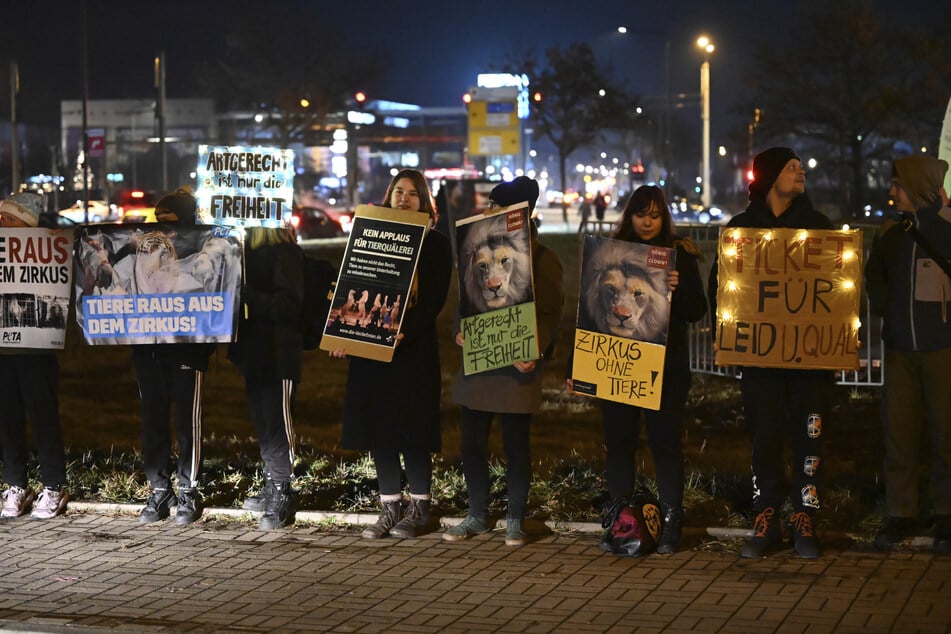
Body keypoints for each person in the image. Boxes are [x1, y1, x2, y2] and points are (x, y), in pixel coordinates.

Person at [708, 147, 833, 559]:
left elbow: (834, 287)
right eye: (791, 167)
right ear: (770, 177)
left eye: (801, 166)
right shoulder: (742, 229)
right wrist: (725, 330)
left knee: (808, 436)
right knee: (765, 437)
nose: (801, 173)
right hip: (760, 359)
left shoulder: (817, 228)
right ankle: (767, 515)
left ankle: (805, 515)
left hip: (810, 361)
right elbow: (721, 284)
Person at [569, 185, 706, 554]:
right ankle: (620, 521)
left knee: (665, 443)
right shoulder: (607, 253)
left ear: (664, 217)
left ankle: (672, 518)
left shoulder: (678, 255)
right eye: (640, 213)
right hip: (616, 365)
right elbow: (588, 315)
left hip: (664, 370)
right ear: (629, 215)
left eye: (655, 214)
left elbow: (697, 312)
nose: (647, 221)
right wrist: (579, 365)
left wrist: (678, 289)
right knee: (619, 444)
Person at [444, 176, 565, 546]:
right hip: (480, 362)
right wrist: (458, 331)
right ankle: (477, 515)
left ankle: (515, 518)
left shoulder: (542, 258)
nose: (490, 213)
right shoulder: (473, 251)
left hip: (517, 368)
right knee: (472, 444)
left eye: (498, 208)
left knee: (516, 446)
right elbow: (463, 302)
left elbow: (550, 312)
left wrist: (536, 348)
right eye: (491, 207)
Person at [333, 169, 452, 539]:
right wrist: (345, 332)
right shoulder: (369, 236)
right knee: (380, 430)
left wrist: (405, 331)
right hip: (372, 353)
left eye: (413, 194)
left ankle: (420, 507)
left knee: (412, 431)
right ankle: (390, 506)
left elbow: (433, 301)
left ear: (425, 201)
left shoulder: (434, 244)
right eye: (398, 191)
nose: (404, 198)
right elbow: (354, 285)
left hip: (412, 351)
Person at [865, 156, 951, 555]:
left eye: (898, 185)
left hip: (943, 351)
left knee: (946, 433)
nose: (892, 191)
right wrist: (888, 312)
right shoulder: (892, 235)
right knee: (898, 432)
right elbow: (874, 277)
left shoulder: (947, 231)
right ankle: (903, 512)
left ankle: (946, 513)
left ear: (916, 189)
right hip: (900, 351)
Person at [133, 188, 216, 525]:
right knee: (152, 419)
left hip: (187, 347)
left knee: (187, 422)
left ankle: (189, 488)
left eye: (172, 223)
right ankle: (159, 488)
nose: (164, 231)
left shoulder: (202, 252)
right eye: (159, 222)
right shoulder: (145, 252)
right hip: (148, 348)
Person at [228, 224, 304, 530]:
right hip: (254, 353)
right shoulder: (243, 254)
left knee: (277, 423)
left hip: (280, 354)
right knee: (263, 421)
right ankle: (273, 483)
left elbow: (289, 304)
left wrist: (250, 296)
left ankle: (284, 490)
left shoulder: (286, 253)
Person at [0, 192, 70, 519]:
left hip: (36, 350)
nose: (2, 221)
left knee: (43, 417)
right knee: (7, 419)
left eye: (8, 218)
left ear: (26, 223)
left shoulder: (48, 247)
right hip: (4, 351)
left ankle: (54, 484)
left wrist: (58, 239)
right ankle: (16, 483)